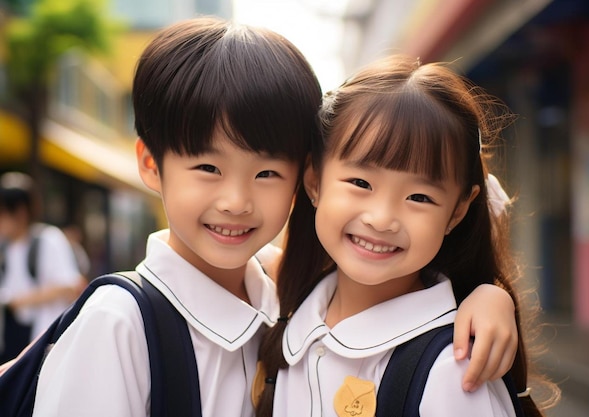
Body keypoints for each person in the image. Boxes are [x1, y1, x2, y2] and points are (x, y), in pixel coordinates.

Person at [28, 17, 518, 417]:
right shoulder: (118, 324)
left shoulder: (283, 297)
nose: (237, 201)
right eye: (207, 168)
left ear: (301, 177)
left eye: (266, 172)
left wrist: (485, 294)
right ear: (151, 164)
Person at [256, 55, 560, 416]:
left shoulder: (451, 369)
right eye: (360, 182)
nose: (382, 219)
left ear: (458, 211)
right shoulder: (280, 305)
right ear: (314, 182)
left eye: (419, 197)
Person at [0, 172, 83, 364]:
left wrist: (18, 301)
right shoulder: (4, 246)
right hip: (10, 341)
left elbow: (71, 287)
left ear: (20, 212)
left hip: (41, 343)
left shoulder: (48, 240)